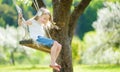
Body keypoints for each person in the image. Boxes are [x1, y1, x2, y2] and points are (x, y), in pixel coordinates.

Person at [18, 7, 62, 71]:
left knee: (59, 46)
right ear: (39, 15)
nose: (46, 21)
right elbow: (21, 24)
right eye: (44, 18)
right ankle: (52, 63)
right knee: (55, 43)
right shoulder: (32, 21)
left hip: (41, 38)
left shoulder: (41, 24)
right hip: (37, 38)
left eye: (47, 20)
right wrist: (20, 18)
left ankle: (53, 62)